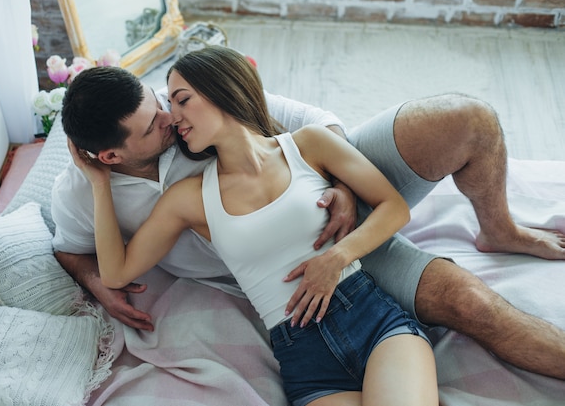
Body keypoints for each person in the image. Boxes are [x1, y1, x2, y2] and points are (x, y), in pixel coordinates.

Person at [53, 56, 565, 380]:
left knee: (466, 118)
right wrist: (95, 281)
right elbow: (71, 249)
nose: (169, 115)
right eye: (152, 124)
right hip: (304, 262)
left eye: (164, 102)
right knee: (467, 302)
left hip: (328, 184)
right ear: (111, 157)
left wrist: (341, 187)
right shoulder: (88, 194)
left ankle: (500, 228)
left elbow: (317, 122)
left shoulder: (196, 110)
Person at [69, 45, 439, 406]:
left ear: (219, 89)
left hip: (370, 319)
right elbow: (115, 274)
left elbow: (393, 208)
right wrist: (100, 184)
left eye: (181, 100)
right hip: (305, 357)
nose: (172, 116)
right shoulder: (189, 198)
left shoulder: (307, 144)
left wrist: (337, 257)